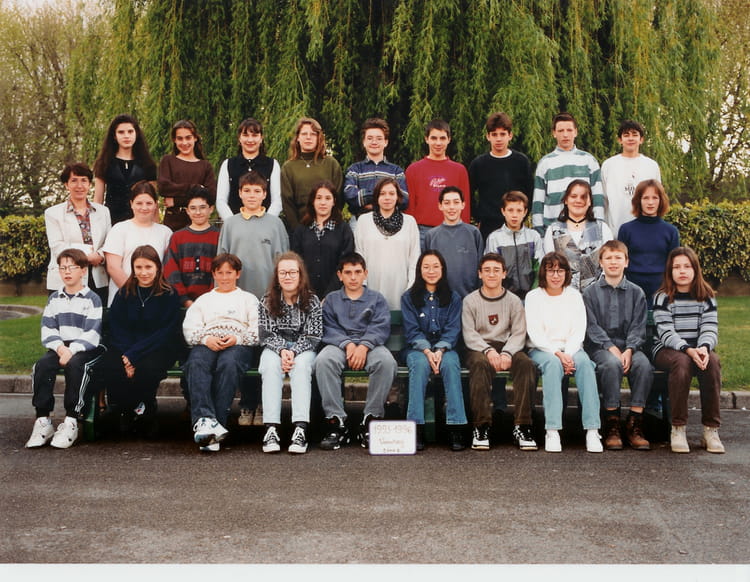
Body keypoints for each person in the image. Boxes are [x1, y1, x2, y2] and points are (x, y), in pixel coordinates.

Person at [217, 170, 289, 424]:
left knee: (265, 353)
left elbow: (283, 262)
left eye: (257, 191)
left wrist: (280, 296)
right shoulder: (231, 224)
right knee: (244, 350)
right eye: (246, 191)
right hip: (239, 300)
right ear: (239, 194)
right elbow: (222, 262)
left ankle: (263, 405)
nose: (251, 195)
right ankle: (247, 404)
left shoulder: (275, 224)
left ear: (265, 194)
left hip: (269, 300)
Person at [314, 253, 397, 450]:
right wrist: (348, 344)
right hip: (339, 345)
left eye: (358, 272)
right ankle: (336, 422)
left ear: (365, 273)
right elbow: (327, 327)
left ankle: (371, 419)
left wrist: (364, 345)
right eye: (348, 272)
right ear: (340, 275)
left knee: (386, 362)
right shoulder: (332, 299)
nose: (353, 277)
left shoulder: (376, 299)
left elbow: (381, 326)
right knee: (323, 361)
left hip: (370, 346)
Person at [26, 249, 105, 449]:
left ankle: (71, 420)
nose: (67, 272)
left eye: (72, 267)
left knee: (76, 366)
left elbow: (92, 333)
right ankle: (42, 420)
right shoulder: (54, 298)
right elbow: (48, 328)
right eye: (63, 268)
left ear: (83, 271)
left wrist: (72, 350)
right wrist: (61, 348)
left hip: (84, 348)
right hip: (60, 347)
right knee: (42, 366)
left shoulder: (92, 299)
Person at [100, 245, 181, 437]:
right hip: (125, 346)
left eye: (148, 267)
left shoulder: (169, 294)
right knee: (111, 364)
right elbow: (116, 326)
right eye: (139, 267)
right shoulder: (124, 293)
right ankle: (124, 410)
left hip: (157, 347)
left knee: (149, 367)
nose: (144, 272)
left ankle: (147, 410)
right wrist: (128, 354)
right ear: (133, 268)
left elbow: (165, 332)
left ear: (157, 267)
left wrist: (134, 355)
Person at [525, 252, 602, 453]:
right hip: (542, 349)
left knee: (585, 365)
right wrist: (558, 355)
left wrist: (568, 353)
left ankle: (592, 429)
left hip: (572, 348)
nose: (556, 275)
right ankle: (552, 430)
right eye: (551, 271)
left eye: (560, 271)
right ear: (543, 273)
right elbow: (535, 333)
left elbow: (578, 330)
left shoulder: (574, 296)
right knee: (552, 365)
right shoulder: (533, 297)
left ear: (567, 273)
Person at [182, 253, 259, 453]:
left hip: (237, 344)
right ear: (214, 274)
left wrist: (237, 338)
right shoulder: (204, 300)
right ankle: (205, 421)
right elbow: (190, 328)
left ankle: (217, 423)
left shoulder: (248, 299)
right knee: (196, 362)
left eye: (229, 273)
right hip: (208, 342)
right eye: (220, 273)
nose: (225, 277)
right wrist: (206, 339)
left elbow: (258, 330)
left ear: (237, 274)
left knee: (228, 364)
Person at [462, 253, 539, 451]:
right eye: (487, 270)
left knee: (526, 365)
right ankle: (481, 426)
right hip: (480, 347)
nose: (492, 274)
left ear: (504, 273)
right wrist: (488, 351)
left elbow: (519, 332)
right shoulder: (470, 301)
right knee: (479, 365)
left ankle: (523, 425)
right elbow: (469, 334)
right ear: (480, 274)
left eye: (496, 270)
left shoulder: (514, 301)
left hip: (507, 346)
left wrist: (507, 353)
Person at [652, 247, 724, 454]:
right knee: (682, 363)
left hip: (698, 347)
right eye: (676, 267)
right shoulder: (662, 297)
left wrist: (704, 348)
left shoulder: (706, 296)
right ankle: (678, 428)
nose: (682, 271)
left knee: (712, 363)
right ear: (670, 271)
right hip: (667, 349)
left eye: (687, 266)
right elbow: (666, 332)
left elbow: (710, 327)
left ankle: (711, 430)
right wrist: (688, 349)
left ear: (695, 269)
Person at [583, 240, 652, 451]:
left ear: (626, 262)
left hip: (630, 347)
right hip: (601, 348)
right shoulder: (590, 292)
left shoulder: (636, 292)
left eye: (618, 258)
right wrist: (611, 347)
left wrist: (630, 349)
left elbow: (638, 326)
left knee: (643, 366)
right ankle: (612, 421)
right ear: (600, 262)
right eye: (608, 258)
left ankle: (634, 422)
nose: (613, 262)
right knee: (611, 364)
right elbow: (591, 326)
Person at [401, 250, 467, 451]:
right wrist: (428, 351)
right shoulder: (408, 298)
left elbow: (453, 329)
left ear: (443, 269)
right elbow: (411, 331)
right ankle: (416, 427)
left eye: (436, 266)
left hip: (445, 349)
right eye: (426, 267)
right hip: (417, 350)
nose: (431, 271)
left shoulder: (453, 298)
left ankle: (456, 426)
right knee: (420, 365)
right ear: (419, 270)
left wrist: (439, 350)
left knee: (451, 364)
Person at [258, 252, 322, 455]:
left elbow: (313, 335)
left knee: (301, 367)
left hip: (303, 348)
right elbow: (266, 334)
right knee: (269, 366)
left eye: (292, 272)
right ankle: (271, 429)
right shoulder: (267, 300)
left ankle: (300, 428)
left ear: (300, 275)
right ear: (277, 276)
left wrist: (292, 351)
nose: (288, 277)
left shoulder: (312, 300)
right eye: (283, 272)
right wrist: (282, 350)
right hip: (276, 347)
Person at [45, 163, 111, 304]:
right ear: (66, 185)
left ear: (89, 184)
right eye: (74, 180)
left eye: (84, 180)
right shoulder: (52, 213)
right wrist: (87, 257)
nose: (79, 185)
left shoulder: (103, 211)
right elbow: (57, 246)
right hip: (65, 278)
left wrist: (100, 256)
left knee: (98, 317)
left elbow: (109, 242)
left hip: (97, 278)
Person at [532, 112, 605, 235]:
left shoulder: (589, 161)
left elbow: (597, 197)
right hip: (554, 229)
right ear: (554, 133)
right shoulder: (545, 163)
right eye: (561, 131)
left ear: (575, 132)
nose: (565, 134)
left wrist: (598, 226)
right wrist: (539, 231)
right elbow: (538, 201)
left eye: (569, 130)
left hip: (585, 229)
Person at [102, 180, 172, 307]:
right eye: (139, 203)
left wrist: (151, 295)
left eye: (149, 203)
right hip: (123, 297)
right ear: (131, 204)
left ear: (155, 205)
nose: (144, 208)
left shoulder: (165, 232)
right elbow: (113, 267)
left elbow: (166, 268)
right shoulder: (119, 229)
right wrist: (134, 295)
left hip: (155, 299)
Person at [354, 177, 420, 309]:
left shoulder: (410, 222)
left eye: (391, 193)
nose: (387, 198)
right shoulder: (363, 221)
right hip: (371, 288)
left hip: (400, 288)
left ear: (398, 197)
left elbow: (414, 259)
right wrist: (363, 286)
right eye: (382, 194)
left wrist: (410, 288)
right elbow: (359, 255)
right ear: (376, 197)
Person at [468, 112, 534, 240]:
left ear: (510, 135)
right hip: (488, 225)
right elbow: (468, 194)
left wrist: (522, 216)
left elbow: (530, 193)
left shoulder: (521, 161)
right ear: (488, 136)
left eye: (502, 134)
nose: (498, 139)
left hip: (516, 223)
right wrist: (478, 217)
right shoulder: (478, 164)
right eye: (494, 134)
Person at [405, 119, 470, 247]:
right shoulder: (413, 170)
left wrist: (464, 230)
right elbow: (409, 206)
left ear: (449, 139)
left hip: (452, 230)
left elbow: (465, 204)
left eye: (442, 138)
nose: (438, 143)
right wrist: (409, 232)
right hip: (421, 232)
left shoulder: (459, 170)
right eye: (434, 138)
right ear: (426, 139)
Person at [617, 179, 680, 307]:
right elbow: (620, 263)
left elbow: (674, 264)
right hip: (631, 290)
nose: (650, 202)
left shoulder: (671, 231)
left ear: (661, 201)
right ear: (638, 201)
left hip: (661, 290)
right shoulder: (626, 230)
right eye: (646, 198)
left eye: (655, 198)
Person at [543, 179, 613, 292]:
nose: (578, 200)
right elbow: (549, 267)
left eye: (583, 197)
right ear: (566, 200)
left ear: (590, 201)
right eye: (573, 196)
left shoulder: (602, 228)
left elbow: (609, 263)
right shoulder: (552, 231)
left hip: (597, 294)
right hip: (564, 294)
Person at [291, 180, 354, 298]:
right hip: (305, 294)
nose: (323, 202)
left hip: (336, 295)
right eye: (318, 198)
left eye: (328, 198)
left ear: (334, 202)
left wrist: (329, 295)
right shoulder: (301, 230)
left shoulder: (343, 230)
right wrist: (307, 292)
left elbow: (345, 263)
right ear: (312, 201)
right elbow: (296, 262)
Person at [343, 117, 408, 228]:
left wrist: (367, 199)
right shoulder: (355, 169)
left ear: (386, 142)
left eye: (379, 138)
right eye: (370, 138)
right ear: (364, 142)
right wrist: (384, 198)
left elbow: (404, 199)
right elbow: (350, 195)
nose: (374, 142)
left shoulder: (396, 171)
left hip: (389, 223)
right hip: (359, 221)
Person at [280, 117, 343, 232]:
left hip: (329, 228)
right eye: (304, 134)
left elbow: (338, 197)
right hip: (300, 228)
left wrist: (329, 225)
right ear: (298, 138)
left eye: (313, 134)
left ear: (319, 138)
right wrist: (298, 230)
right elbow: (287, 203)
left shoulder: (331, 164)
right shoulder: (288, 167)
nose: (308, 137)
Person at [93, 114, 157, 225]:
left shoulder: (147, 164)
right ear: (114, 136)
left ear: (136, 134)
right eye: (121, 132)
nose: (126, 136)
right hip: (112, 222)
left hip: (141, 222)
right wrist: (97, 226)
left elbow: (153, 199)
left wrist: (155, 225)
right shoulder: (104, 163)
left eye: (130, 131)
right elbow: (98, 199)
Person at [601, 120, 661, 236]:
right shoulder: (609, 165)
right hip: (614, 231)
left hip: (644, 231)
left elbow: (657, 199)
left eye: (634, 134)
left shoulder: (651, 166)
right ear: (620, 140)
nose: (630, 138)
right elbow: (603, 199)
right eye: (626, 135)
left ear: (641, 139)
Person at [163, 186, 220, 308]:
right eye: (193, 208)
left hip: (213, 304)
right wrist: (185, 300)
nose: (198, 212)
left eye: (202, 207)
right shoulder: (177, 237)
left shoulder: (219, 237)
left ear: (211, 209)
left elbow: (221, 270)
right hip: (182, 304)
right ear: (187, 211)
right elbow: (171, 271)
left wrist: (210, 299)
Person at [216, 117, 282, 221]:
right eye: (245, 135)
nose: (250, 140)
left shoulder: (272, 164)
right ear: (239, 138)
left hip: (265, 225)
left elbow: (277, 200)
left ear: (261, 138)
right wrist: (233, 222)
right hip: (235, 225)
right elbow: (221, 200)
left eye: (255, 135)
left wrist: (267, 222)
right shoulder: (228, 164)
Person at [423, 186, 483, 298]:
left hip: (469, 298)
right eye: (447, 203)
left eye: (456, 202)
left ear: (463, 205)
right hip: (440, 299)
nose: (451, 207)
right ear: (440, 206)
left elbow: (481, 267)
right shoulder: (431, 236)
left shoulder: (474, 233)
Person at [158, 119, 217, 231]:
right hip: (173, 222)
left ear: (195, 138)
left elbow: (210, 196)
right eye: (180, 138)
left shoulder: (205, 166)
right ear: (174, 140)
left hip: (198, 222)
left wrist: (176, 201)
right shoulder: (168, 161)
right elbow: (163, 187)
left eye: (188, 138)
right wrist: (195, 187)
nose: (184, 143)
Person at [484, 190, 544, 301]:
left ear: (525, 212)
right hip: (504, 298)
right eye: (510, 210)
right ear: (503, 211)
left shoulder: (533, 236)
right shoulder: (494, 238)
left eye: (519, 210)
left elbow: (539, 268)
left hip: (530, 297)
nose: (514, 215)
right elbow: (491, 271)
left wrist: (534, 293)